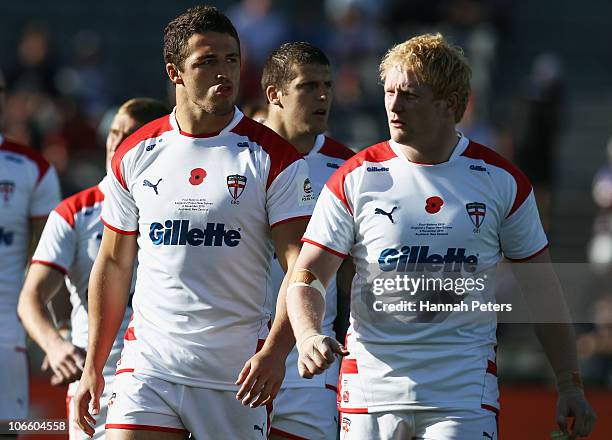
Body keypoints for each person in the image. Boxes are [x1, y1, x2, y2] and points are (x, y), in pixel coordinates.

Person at [285, 33, 597, 439]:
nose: (394, 106)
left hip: (462, 394)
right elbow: (307, 274)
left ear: (452, 104)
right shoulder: (355, 177)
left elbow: (543, 292)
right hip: (371, 390)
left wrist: (569, 383)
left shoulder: (502, 182)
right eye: (389, 92)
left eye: (410, 95)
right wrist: (309, 334)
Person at [73, 5, 313, 439]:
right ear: (175, 72)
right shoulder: (136, 153)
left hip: (236, 377)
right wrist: (93, 364)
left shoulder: (274, 158)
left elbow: (301, 267)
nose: (224, 72)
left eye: (231, 59)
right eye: (206, 61)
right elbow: (112, 263)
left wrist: (277, 352)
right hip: (148, 366)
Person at [17, 98, 170, 439]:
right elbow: (31, 298)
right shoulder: (75, 212)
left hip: (165, 371)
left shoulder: (184, 208)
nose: (116, 142)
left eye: (129, 134)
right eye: (113, 132)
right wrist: (57, 345)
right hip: (99, 379)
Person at [261, 41, 354, 440]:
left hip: (308, 358)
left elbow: (352, 273)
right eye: (308, 85)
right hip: (231, 350)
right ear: (274, 94)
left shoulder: (348, 169)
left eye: (328, 85)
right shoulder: (235, 153)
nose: (322, 96)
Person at [0, 68, 61, 428]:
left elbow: (46, 259)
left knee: (7, 429)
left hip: (6, 329)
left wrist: (58, 329)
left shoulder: (32, 168)